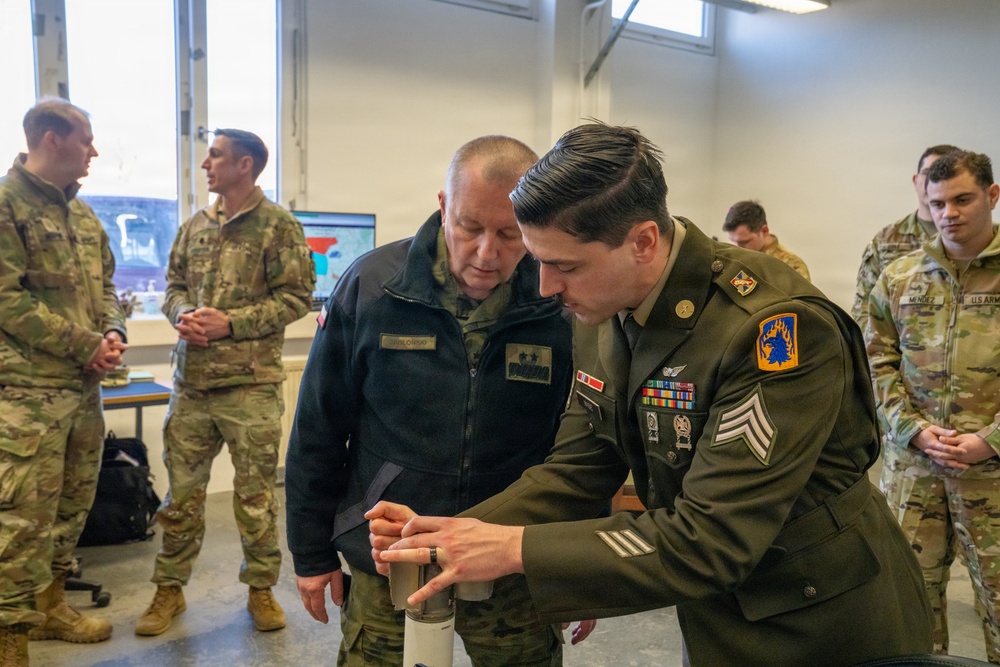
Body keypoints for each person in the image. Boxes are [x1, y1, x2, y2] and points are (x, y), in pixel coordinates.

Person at [369, 122, 935, 667]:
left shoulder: (772, 330)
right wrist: (449, 535)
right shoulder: (602, 305)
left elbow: (711, 540)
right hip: (718, 610)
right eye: (539, 262)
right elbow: (575, 469)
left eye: (563, 265)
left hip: (821, 622)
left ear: (642, 241)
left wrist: (512, 549)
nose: (546, 288)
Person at [285, 135, 592, 666]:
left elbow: (584, 446)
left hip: (510, 556)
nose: (486, 254)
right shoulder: (374, 288)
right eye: (470, 227)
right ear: (444, 206)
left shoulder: (557, 301)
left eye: (510, 233)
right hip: (391, 552)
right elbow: (319, 428)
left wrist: (577, 566)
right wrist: (311, 552)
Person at [134, 129, 314, 637]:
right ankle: (168, 590)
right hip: (191, 386)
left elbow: (297, 297)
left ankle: (260, 590)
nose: (205, 165)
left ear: (245, 165)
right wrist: (181, 312)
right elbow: (171, 286)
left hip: (249, 387)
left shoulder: (279, 227)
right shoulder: (194, 225)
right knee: (181, 499)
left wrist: (230, 323)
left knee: (255, 499)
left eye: (215, 155)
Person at [0, 98, 127, 665]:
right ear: (51, 139)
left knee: (71, 510)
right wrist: (87, 345)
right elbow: (6, 299)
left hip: (82, 393)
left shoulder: (83, 215)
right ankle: (9, 637)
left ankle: (50, 605)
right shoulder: (6, 205)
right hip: (26, 397)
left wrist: (114, 332)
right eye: (86, 139)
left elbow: (107, 288)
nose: (93, 151)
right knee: (21, 521)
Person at [867, 149, 1000, 663]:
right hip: (914, 470)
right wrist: (912, 430)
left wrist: (989, 441)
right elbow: (875, 364)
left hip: (991, 475)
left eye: (963, 199)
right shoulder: (900, 278)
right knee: (910, 606)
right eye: (939, 202)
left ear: (991, 195)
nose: (950, 213)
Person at [852, 144, 959, 331]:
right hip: (896, 354)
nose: (934, 181)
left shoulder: (974, 240)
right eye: (928, 173)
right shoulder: (886, 240)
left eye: (945, 173)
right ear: (916, 180)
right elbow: (864, 307)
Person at [721, 199, 810, 280]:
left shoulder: (792, 266)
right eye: (732, 241)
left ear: (764, 231)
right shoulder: (732, 259)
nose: (737, 247)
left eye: (744, 242)